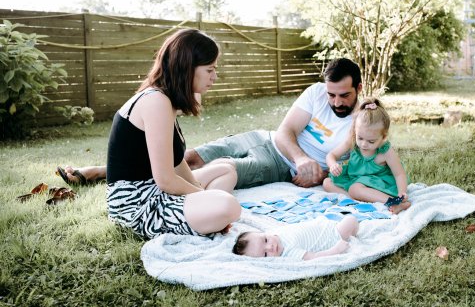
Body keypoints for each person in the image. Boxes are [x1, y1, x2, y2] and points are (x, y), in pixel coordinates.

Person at [57, 57, 363, 190]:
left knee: (207, 173)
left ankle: (116, 179)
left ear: (359, 89)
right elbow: (286, 131)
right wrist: (303, 157)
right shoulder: (315, 93)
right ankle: (102, 172)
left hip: (278, 165)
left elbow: (358, 166)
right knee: (185, 159)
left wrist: (315, 171)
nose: (335, 102)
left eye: (343, 96)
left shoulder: (365, 121)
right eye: (331, 94)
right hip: (264, 138)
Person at [103, 28, 241, 239]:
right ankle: (209, 216)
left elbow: (176, 163)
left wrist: (200, 194)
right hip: (136, 206)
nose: (215, 77)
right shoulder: (156, 102)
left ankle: (207, 215)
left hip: (155, 190)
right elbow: (166, 180)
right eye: (209, 70)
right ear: (187, 68)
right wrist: (205, 197)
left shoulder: (165, 100)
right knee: (228, 206)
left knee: (225, 170)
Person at [323, 98, 411, 214]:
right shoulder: (352, 140)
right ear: (355, 131)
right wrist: (333, 164)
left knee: (355, 189)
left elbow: (399, 174)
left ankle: (394, 202)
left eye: (371, 141)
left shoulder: (385, 151)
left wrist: (402, 192)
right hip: (354, 179)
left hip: (377, 183)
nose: (364, 144)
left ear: (383, 137)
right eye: (360, 138)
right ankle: (358, 196)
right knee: (327, 182)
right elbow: (331, 155)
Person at [232, 215, 358, 260]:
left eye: (265, 240)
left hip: (323, 224)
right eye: (265, 254)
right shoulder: (288, 252)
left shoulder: (273, 232)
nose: (270, 247)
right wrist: (336, 250)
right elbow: (313, 257)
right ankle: (351, 236)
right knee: (350, 220)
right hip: (334, 235)